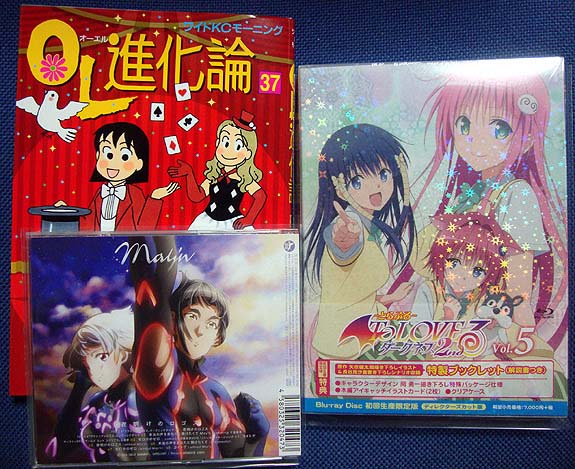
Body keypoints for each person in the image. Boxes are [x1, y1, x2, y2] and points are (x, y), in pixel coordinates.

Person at [413, 70, 567, 340]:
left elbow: (518, 290)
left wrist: (522, 337)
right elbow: (424, 259)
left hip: (487, 325)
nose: (476, 141)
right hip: (451, 316)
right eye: (464, 125)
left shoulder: (517, 195)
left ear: (528, 139)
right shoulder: (468, 195)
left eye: (499, 129)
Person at [130, 236, 269, 461]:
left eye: (211, 324)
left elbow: (238, 458)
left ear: (218, 336)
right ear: (173, 320)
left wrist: (257, 436)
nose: (200, 330)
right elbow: (152, 292)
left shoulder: (217, 392)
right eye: (193, 316)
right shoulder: (160, 373)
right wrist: (155, 227)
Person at [304, 124, 416, 359]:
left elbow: (353, 294)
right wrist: (345, 239)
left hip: (359, 337)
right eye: (357, 181)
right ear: (339, 188)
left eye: (383, 174)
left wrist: (391, 298)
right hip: (344, 347)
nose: (376, 186)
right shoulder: (348, 223)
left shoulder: (370, 226)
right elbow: (343, 247)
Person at [46, 307, 147, 463]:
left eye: (102, 356)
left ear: (123, 355)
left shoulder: (134, 401)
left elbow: (139, 460)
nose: (94, 371)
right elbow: (58, 451)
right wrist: (79, 389)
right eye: (87, 364)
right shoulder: (98, 401)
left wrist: (107, 433)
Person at [56, 122, 179, 231]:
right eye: (108, 155)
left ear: (139, 164)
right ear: (98, 156)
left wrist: (154, 199)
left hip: (127, 246)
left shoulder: (134, 194)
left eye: (125, 157)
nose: (114, 164)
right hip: (97, 246)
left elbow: (144, 226)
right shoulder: (100, 193)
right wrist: (68, 212)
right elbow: (87, 224)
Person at [168, 110, 266, 230]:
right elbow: (197, 196)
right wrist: (189, 174)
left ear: (248, 153)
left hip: (231, 223)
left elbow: (261, 196)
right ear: (217, 143)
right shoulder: (215, 174)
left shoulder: (243, 178)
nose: (229, 151)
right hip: (206, 221)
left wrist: (249, 219)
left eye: (238, 146)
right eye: (225, 143)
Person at [413, 212, 521, 322]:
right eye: (454, 263)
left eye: (477, 272)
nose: (463, 276)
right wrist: (448, 318)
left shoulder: (482, 299)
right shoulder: (429, 290)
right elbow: (416, 329)